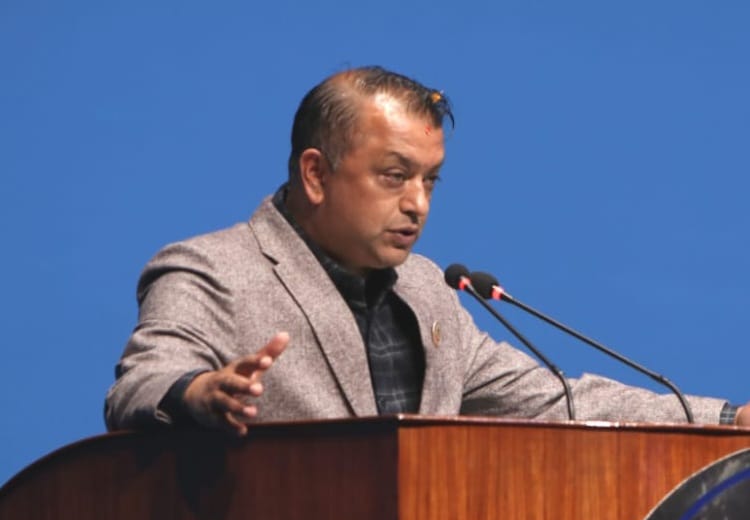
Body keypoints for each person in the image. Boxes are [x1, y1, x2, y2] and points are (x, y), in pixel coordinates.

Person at [104, 66, 748, 435]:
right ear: (316, 174)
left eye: (430, 180)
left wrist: (726, 420)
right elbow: (142, 382)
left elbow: (556, 400)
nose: (418, 203)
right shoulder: (213, 270)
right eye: (394, 176)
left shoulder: (428, 289)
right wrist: (199, 393)